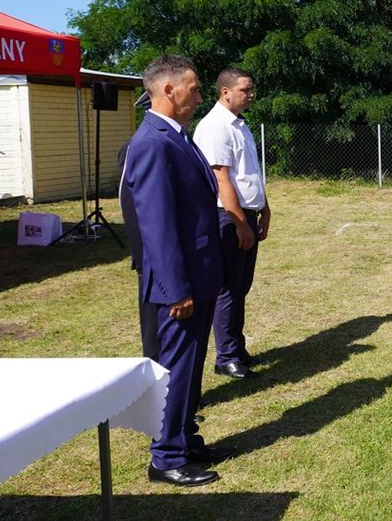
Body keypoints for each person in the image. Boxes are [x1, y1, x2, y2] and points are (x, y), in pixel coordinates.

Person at [123, 54, 229, 487]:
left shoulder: (176, 136)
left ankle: (184, 438)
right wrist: (176, 288)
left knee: (191, 366)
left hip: (198, 276)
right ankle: (165, 457)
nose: (200, 96)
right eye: (195, 87)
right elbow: (157, 227)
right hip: (179, 285)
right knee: (176, 369)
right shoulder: (151, 142)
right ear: (168, 90)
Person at [192, 67, 271, 380]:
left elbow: (248, 174)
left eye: (251, 89)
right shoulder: (215, 127)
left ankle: (235, 347)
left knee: (241, 287)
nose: (250, 95)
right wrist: (240, 223)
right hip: (228, 217)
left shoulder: (240, 125)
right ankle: (226, 356)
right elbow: (221, 178)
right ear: (225, 92)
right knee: (228, 288)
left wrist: (264, 210)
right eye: (245, 90)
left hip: (246, 214)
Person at [119, 91, 159, 361]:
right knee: (154, 320)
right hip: (152, 254)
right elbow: (132, 206)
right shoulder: (138, 147)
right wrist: (142, 257)